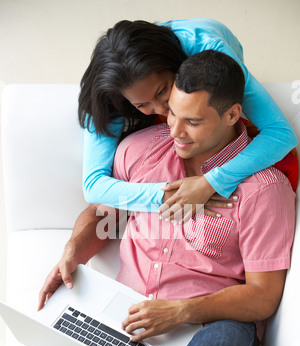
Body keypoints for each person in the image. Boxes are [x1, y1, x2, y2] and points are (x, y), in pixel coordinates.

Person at [42, 50, 295, 346]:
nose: (175, 131)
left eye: (193, 121)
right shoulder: (140, 150)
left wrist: (182, 312)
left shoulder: (265, 189)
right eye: (172, 113)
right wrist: (74, 249)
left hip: (217, 322)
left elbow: (264, 295)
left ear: (232, 115)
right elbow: (102, 215)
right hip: (136, 317)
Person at [80, 18, 298, 221]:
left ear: (173, 67)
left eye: (161, 91)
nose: (161, 110)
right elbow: (93, 186)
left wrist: (210, 183)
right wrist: (170, 194)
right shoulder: (109, 94)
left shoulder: (209, 50)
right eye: (141, 104)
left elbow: (280, 134)